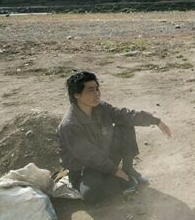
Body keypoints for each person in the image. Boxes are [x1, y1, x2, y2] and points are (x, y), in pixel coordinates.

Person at [58, 71, 172, 204]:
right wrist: (114, 169)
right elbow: (88, 156)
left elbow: (125, 114)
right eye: (90, 90)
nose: (97, 93)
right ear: (76, 94)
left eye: (97, 89)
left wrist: (155, 120)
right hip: (85, 167)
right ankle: (121, 179)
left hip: (103, 154)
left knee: (125, 124)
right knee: (90, 195)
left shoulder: (100, 107)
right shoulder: (70, 125)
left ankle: (129, 171)